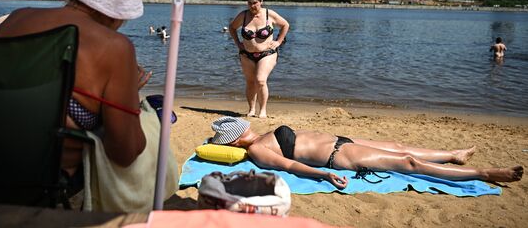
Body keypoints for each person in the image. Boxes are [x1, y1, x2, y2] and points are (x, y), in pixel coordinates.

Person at [0, 0, 151, 177]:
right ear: (120, 12)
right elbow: (125, 154)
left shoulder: (16, 18)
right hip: (42, 180)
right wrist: (129, 93)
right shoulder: (115, 48)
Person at [210, 116, 524, 189]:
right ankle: (484, 173)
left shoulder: (261, 135)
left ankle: (453, 154)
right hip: (339, 157)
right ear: (236, 139)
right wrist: (324, 174)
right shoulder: (257, 152)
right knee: (408, 162)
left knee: (400, 146)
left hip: (341, 139)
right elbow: (291, 166)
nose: (246, 127)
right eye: (241, 129)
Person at [228, 0, 289, 118]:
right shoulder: (243, 16)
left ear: (261, 2)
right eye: (250, 3)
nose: (252, 6)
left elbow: (285, 25)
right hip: (246, 54)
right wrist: (238, 43)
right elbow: (232, 27)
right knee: (250, 82)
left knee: (260, 80)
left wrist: (278, 41)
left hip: (267, 53)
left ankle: (263, 111)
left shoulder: (269, 14)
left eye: (255, 3)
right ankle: (251, 109)